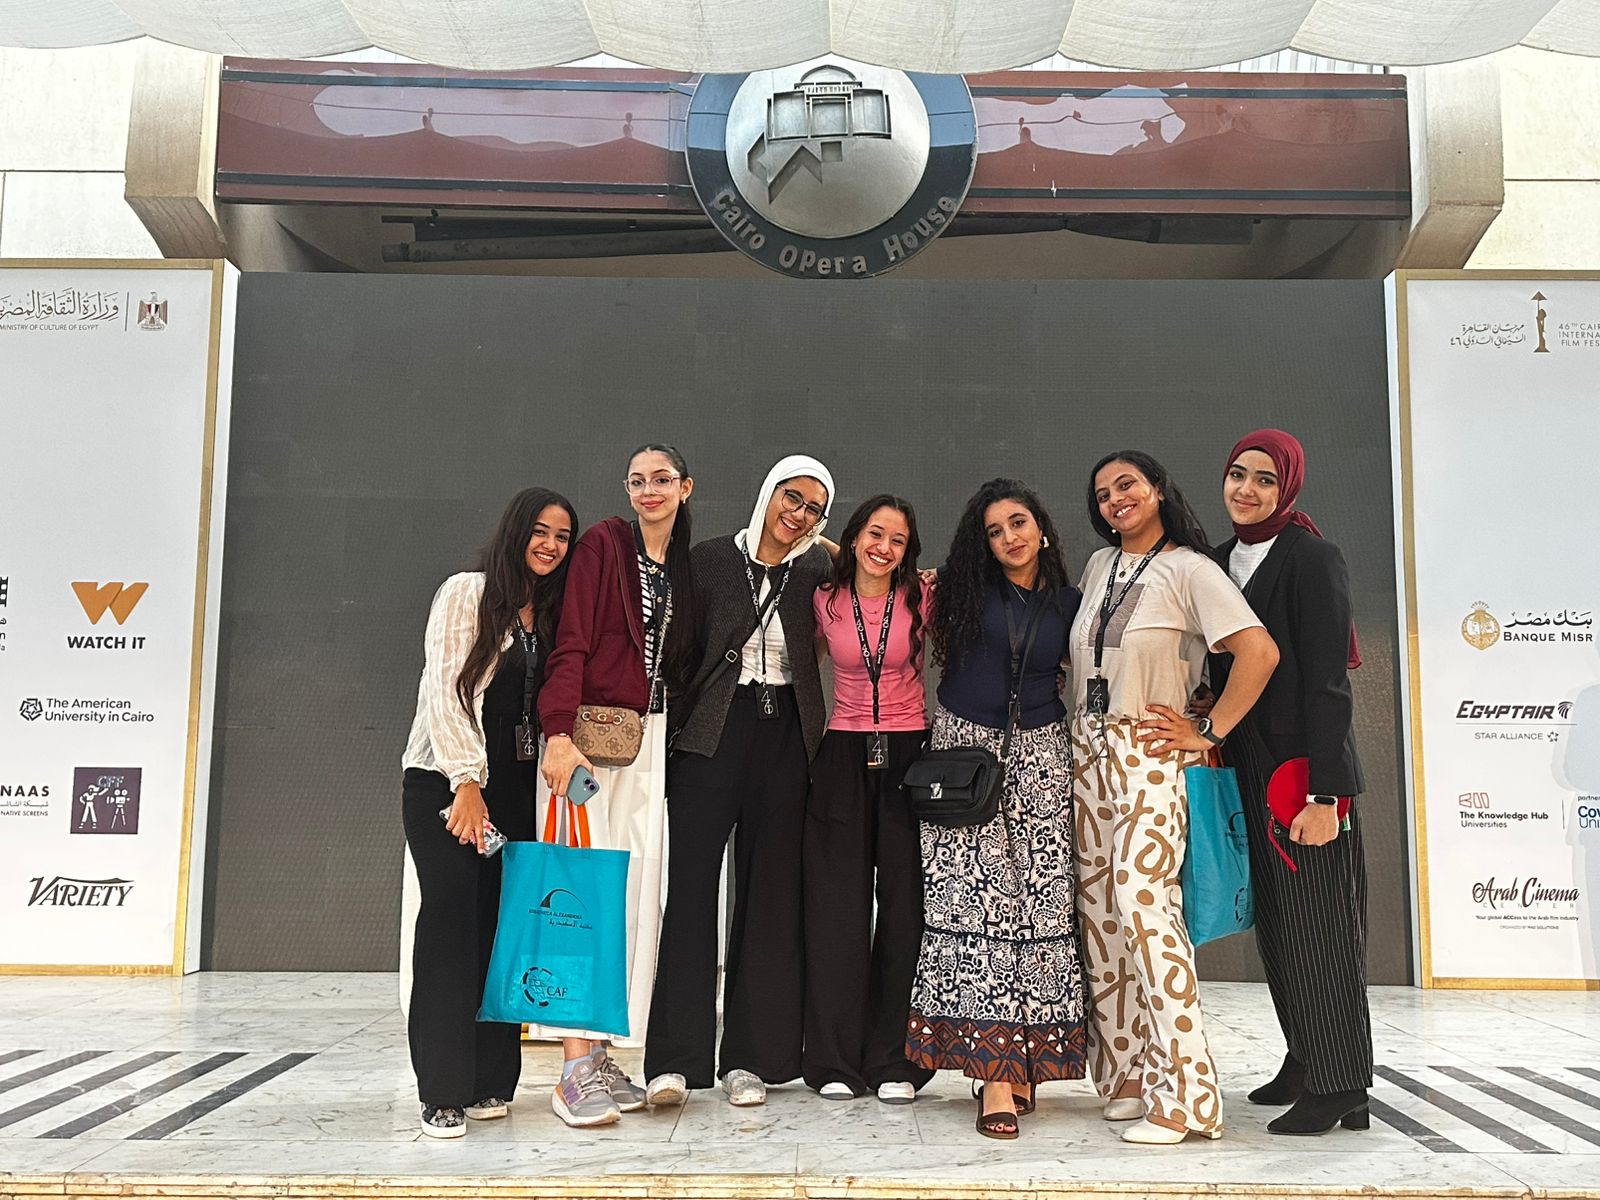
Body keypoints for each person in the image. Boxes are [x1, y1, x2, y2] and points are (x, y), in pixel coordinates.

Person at [1070, 451, 1278, 1145]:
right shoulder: (1099, 567)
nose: (1115, 499)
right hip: (1086, 752)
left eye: (1127, 484)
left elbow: (1259, 652)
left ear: (1158, 489)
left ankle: (1188, 1096)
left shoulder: (1191, 569)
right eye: (1103, 492)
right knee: (1103, 916)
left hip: (1150, 751)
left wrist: (1208, 728)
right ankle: (1128, 1075)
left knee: (1144, 904)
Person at [644, 455, 835, 1109]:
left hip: (787, 735)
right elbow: (676, 653)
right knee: (691, 890)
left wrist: (828, 543)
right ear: (768, 493)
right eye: (791, 497)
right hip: (710, 735)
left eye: (814, 508)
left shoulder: (817, 569)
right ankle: (675, 1060)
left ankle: (750, 1059)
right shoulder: (709, 561)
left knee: (768, 895)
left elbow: (869, 570)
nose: (799, 514)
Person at [906, 478, 1088, 1142]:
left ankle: (1028, 1058)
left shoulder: (1072, 602)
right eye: (994, 530)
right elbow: (871, 574)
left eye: (1018, 522)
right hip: (963, 755)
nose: (1009, 537)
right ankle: (995, 1076)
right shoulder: (957, 590)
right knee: (974, 907)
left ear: (1042, 528)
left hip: (1042, 754)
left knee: (1042, 904)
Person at [400, 487, 578, 1138]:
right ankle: (442, 1089)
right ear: (514, 531)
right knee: (452, 928)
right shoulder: (466, 593)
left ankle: (489, 1080)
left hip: (517, 789)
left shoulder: (553, 612)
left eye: (562, 536)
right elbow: (446, 692)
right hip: (447, 785)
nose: (550, 545)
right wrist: (467, 784)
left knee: (503, 934)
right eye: (540, 531)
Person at [1209, 429, 1372, 1136]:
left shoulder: (1311, 557)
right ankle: (1307, 1058)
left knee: (1322, 929)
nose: (1246, 490)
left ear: (1288, 488)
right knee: (1280, 926)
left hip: (1303, 774)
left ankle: (1342, 1084)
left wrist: (1327, 796)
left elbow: (1329, 683)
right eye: (1237, 475)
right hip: (1247, 765)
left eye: (1264, 480)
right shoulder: (1218, 561)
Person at [538, 445, 697, 1128]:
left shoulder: (683, 564)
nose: (648, 489)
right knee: (581, 894)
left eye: (662, 479)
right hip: (589, 741)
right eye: (637, 480)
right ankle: (572, 1068)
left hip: (648, 739)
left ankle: (600, 1053)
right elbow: (571, 640)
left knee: (631, 898)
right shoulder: (604, 545)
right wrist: (557, 732)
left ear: (686, 488)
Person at [804, 495, 937, 1105]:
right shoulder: (823, 600)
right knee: (839, 910)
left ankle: (895, 1059)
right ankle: (832, 1059)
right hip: (842, 754)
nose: (884, 548)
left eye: (898, 540)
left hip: (909, 757)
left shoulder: (922, 597)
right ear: (855, 537)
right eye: (874, 534)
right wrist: (828, 545)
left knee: (906, 910)